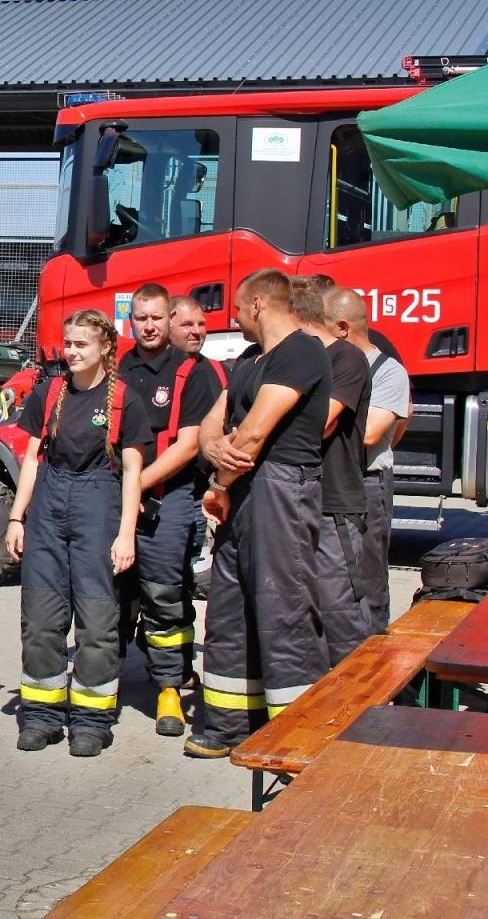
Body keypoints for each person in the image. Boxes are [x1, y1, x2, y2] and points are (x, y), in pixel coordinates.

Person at [186, 269, 331, 758]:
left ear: (258, 305)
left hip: (280, 490)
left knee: (282, 611)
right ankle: (229, 725)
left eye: (237, 309)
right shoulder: (251, 358)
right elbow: (216, 421)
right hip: (243, 491)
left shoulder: (302, 353)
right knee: (228, 608)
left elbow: (251, 435)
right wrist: (212, 452)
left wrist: (218, 480)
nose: (233, 319)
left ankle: (294, 735)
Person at [6, 309, 151, 757]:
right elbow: (31, 458)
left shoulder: (125, 400)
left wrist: (126, 533)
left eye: (81, 345)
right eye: (68, 343)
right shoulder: (50, 393)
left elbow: (132, 471)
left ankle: (91, 719)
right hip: (49, 506)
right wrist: (16, 517)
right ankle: (42, 715)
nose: (71, 352)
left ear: (106, 348)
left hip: (98, 505)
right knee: (42, 619)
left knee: (98, 622)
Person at [116, 283, 222, 737]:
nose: (149, 326)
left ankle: (169, 688)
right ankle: (106, 676)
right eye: (141, 318)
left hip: (171, 495)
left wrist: (138, 484)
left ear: (168, 318)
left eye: (157, 318)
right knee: (113, 591)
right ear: (131, 321)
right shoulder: (120, 367)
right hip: (124, 493)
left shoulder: (193, 373)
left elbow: (190, 443)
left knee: (164, 592)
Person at [290, 279, 373, 662]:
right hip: (293, 502)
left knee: (339, 612)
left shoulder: (345, 358)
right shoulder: (282, 357)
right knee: (301, 614)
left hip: (334, 506)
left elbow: (321, 423)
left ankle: (352, 708)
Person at [324, 287, 409, 631]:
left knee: (369, 575)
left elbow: (371, 434)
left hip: (367, 482)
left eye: (322, 325)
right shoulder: (331, 365)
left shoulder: (389, 371)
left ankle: (375, 653)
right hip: (335, 479)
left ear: (343, 328)